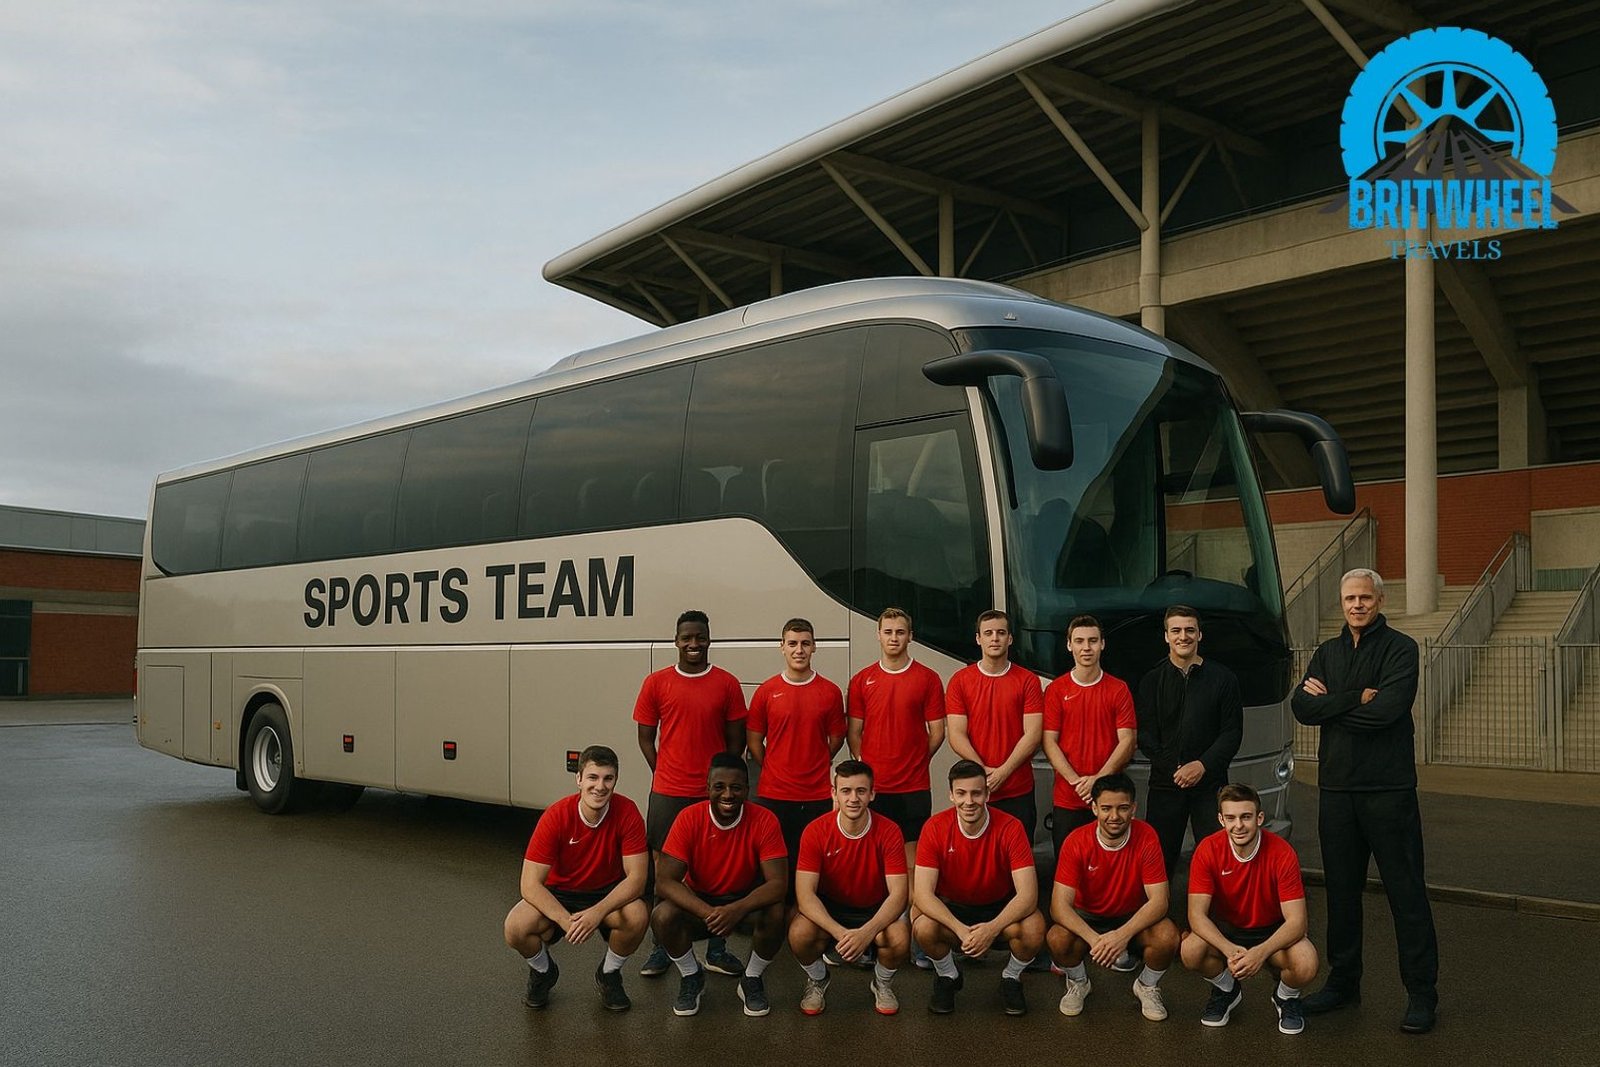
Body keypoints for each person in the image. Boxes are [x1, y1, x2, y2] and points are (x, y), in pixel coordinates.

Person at [1291, 568, 1438, 1034]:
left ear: (1380, 600)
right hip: (1337, 793)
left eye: (1365, 598)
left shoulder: (1402, 649)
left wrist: (1332, 705)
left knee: (1406, 894)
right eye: (1350, 598)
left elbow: (1387, 712)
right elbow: (1301, 707)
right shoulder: (1328, 652)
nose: (1357, 605)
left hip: (1389, 793)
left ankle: (1421, 994)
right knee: (1341, 894)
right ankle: (1343, 983)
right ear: (1342, 601)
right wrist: (1354, 697)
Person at [634, 609, 748, 978]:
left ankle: (716, 949)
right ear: (676, 640)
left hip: (712, 795)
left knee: (714, 872)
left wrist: (721, 784)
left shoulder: (728, 683)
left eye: (700, 637)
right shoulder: (656, 683)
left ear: (709, 638)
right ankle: (661, 948)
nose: (693, 644)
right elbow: (645, 738)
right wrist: (664, 770)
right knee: (661, 870)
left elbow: (735, 743)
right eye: (686, 638)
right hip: (669, 791)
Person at [504, 745, 650, 1012]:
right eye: (593, 777)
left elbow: (637, 879)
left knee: (638, 915)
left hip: (605, 893)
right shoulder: (556, 815)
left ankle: (609, 974)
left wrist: (597, 912)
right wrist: (564, 920)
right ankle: (543, 971)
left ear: (616, 780)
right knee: (515, 927)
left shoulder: (628, 812)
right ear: (579, 779)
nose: (600, 786)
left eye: (608, 778)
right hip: (560, 892)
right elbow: (529, 883)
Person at [652, 753, 788, 1017]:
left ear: (747, 790)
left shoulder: (765, 820)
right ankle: (692, 975)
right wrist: (708, 913)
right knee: (662, 915)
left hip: (744, 902)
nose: (728, 794)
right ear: (707, 788)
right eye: (719, 787)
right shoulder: (688, 818)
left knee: (776, 911)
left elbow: (778, 884)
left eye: (736, 787)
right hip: (700, 902)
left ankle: (752, 978)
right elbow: (664, 882)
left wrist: (736, 909)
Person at [911, 759, 1046, 1016]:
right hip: (954, 910)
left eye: (976, 793)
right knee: (923, 925)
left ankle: (1011, 978)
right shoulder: (934, 828)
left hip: (999, 910)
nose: (969, 801)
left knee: (1034, 926)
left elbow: (1028, 895)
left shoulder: (1011, 827)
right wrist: (961, 930)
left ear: (987, 793)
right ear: (951, 795)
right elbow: (923, 895)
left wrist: (991, 929)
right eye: (961, 793)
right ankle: (948, 975)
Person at [1181, 784, 1318, 1035]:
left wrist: (1260, 953)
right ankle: (1226, 989)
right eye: (1231, 818)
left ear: (1259, 818)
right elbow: (1196, 915)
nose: (1239, 825)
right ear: (1221, 820)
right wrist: (1228, 949)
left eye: (1246, 816)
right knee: (1190, 950)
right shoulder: (1208, 849)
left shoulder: (1282, 852)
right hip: (1227, 932)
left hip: (1271, 931)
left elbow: (1297, 922)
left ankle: (1285, 997)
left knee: (1306, 961)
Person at [1046, 773, 1178, 1022]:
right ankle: (1078, 981)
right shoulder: (1076, 841)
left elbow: (1160, 900)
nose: (1114, 816)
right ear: (1094, 808)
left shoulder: (1147, 836)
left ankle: (1146, 986)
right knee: (1057, 938)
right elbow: (1058, 907)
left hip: (1132, 917)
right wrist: (1097, 941)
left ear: (1134, 808)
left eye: (1122, 808)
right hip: (1088, 919)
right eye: (1106, 808)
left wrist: (1121, 936)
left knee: (1167, 936)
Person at [788, 759, 911, 1016]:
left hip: (874, 908)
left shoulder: (889, 831)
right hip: (830, 909)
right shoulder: (815, 831)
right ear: (834, 793)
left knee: (898, 938)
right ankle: (818, 979)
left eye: (861, 791)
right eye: (845, 791)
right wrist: (841, 933)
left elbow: (899, 894)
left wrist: (866, 933)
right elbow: (805, 894)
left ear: (872, 794)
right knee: (799, 933)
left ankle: (882, 983)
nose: (853, 798)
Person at [1135, 605, 1243, 877]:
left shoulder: (1224, 680)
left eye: (1189, 630)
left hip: (1210, 783)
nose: (1183, 636)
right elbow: (1145, 734)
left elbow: (1231, 734)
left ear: (1200, 635)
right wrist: (1175, 767)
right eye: (1176, 630)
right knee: (1159, 861)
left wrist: (1201, 765)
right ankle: (1159, 917)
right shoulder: (1151, 680)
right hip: (1165, 784)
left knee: (1217, 860)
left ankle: (1214, 917)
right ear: (1166, 636)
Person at [846, 607, 946, 878]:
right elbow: (853, 732)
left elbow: (937, 731)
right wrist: (863, 764)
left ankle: (908, 915)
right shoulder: (861, 681)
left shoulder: (928, 678)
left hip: (914, 786)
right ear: (878, 635)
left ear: (910, 636)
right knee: (875, 856)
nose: (894, 638)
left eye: (900, 632)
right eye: (888, 632)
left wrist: (918, 759)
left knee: (912, 863)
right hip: (875, 786)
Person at [748, 618, 847, 879]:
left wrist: (818, 759)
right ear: (782, 647)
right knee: (774, 868)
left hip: (815, 795)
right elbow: (754, 740)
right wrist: (772, 764)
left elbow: (837, 737)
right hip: (773, 794)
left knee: (813, 867)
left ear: (814, 647)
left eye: (805, 643)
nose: (799, 650)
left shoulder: (830, 692)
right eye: (792, 643)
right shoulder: (766, 691)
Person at [1041, 614, 1137, 860]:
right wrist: (1077, 782)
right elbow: (1049, 741)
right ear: (1069, 645)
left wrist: (1098, 780)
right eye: (1080, 641)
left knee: (1111, 862)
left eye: (1093, 641)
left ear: (1102, 644)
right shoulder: (1056, 690)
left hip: (1110, 797)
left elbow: (1127, 740)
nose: (1086, 647)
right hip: (1068, 796)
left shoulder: (1118, 689)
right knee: (1067, 864)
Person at [946, 609, 1044, 840]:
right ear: (978, 638)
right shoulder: (960, 681)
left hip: (1018, 788)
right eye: (988, 633)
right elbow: (956, 735)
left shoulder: (1028, 681)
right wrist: (982, 773)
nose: (995, 638)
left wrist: (1003, 772)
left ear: (1010, 638)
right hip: (975, 791)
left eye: (1001, 633)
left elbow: (1033, 734)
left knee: (1018, 859)